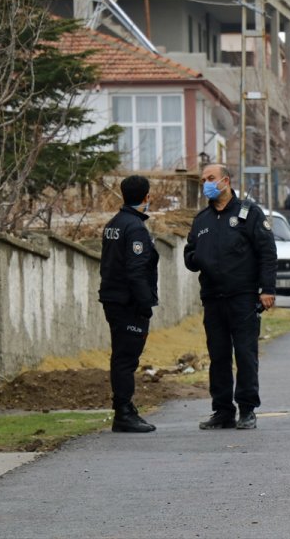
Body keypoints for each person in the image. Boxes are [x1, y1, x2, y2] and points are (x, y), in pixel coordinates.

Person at [184, 164, 277, 430]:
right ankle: (223, 410)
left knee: (245, 355)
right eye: (203, 180)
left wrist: (267, 289)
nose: (206, 184)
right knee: (218, 356)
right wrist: (198, 256)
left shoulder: (249, 214)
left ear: (225, 181)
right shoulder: (201, 219)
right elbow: (190, 256)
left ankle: (247, 409)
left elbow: (267, 253)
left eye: (210, 179)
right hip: (213, 298)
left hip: (243, 297)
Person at [98, 175, 159, 433]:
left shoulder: (113, 224)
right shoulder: (134, 228)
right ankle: (123, 412)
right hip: (128, 303)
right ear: (146, 197)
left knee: (121, 356)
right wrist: (145, 303)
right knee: (126, 359)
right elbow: (136, 270)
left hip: (113, 299)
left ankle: (125, 406)